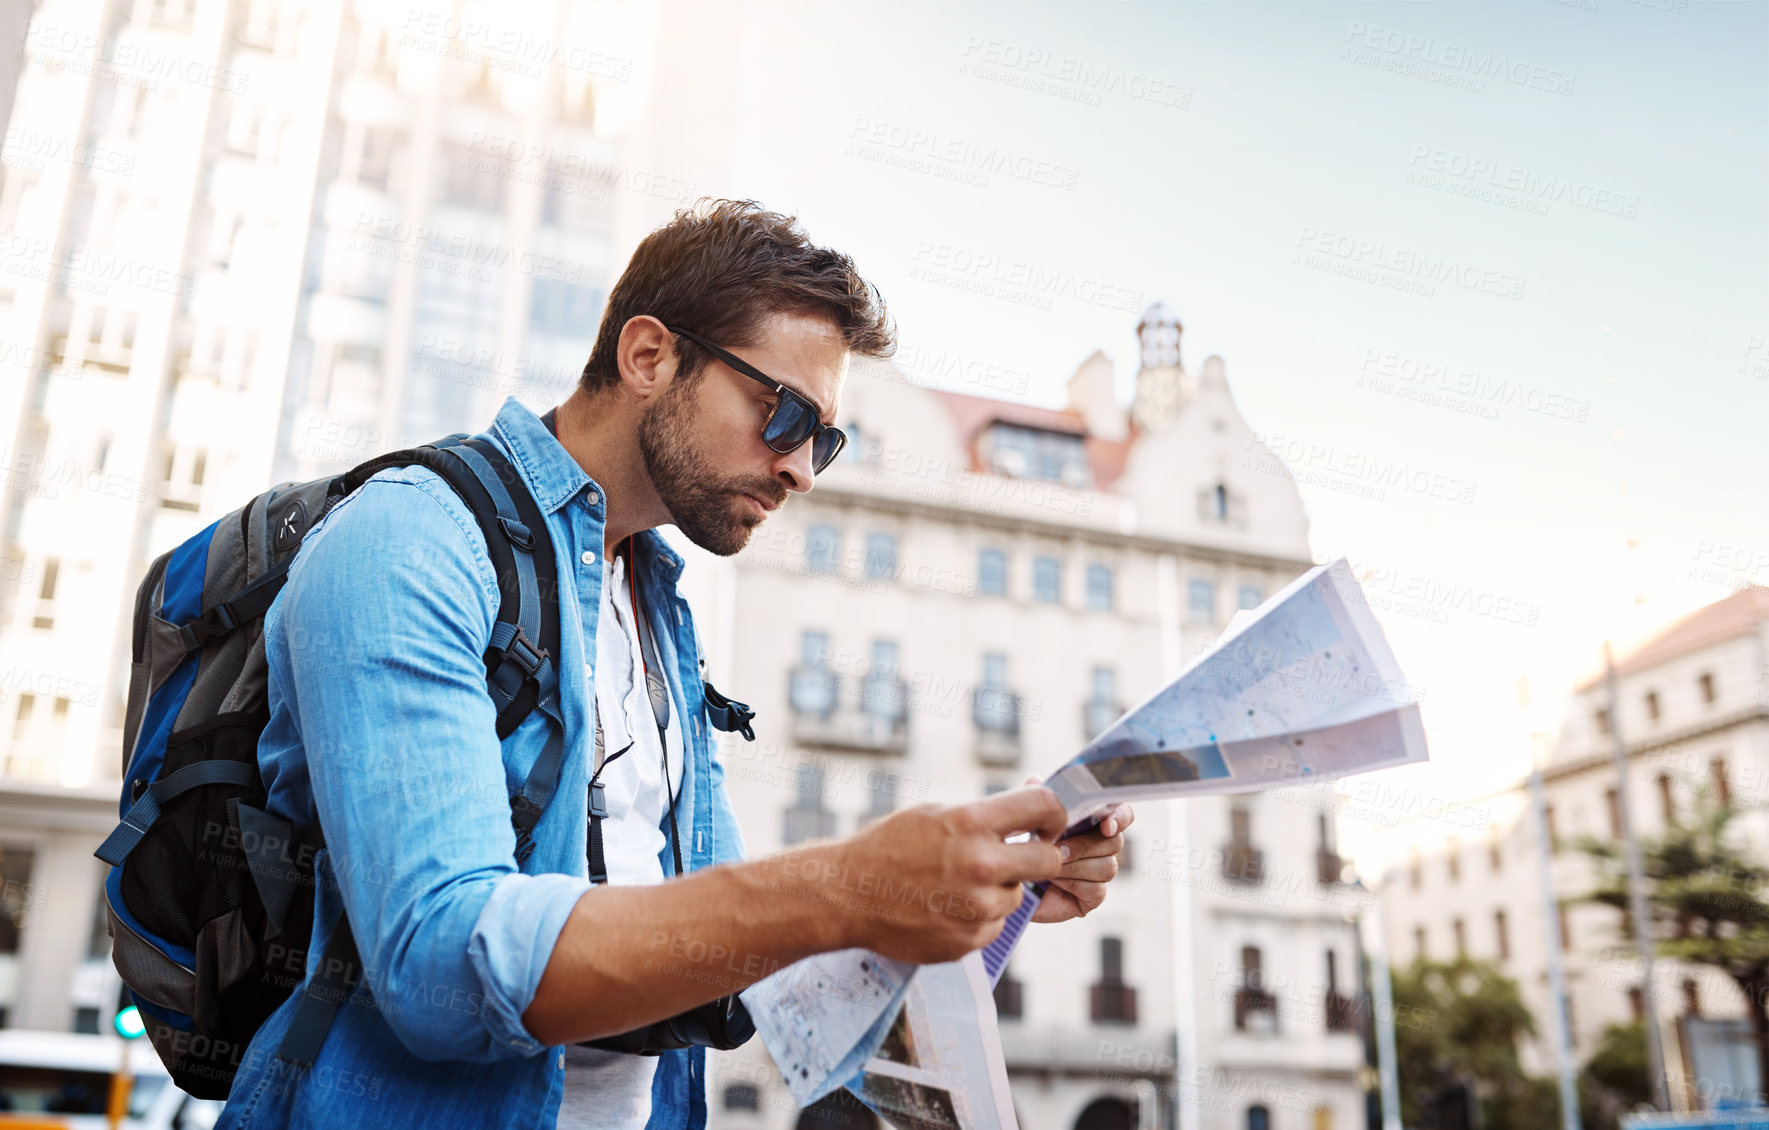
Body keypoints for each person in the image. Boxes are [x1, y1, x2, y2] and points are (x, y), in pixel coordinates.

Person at [216, 199, 1132, 1130]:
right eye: (783, 414)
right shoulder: (410, 539)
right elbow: (441, 966)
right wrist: (847, 884)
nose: (803, 470)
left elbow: (740, 981)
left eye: (826, 438)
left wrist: (969, 889)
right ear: (648, 355)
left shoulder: (658, 610)